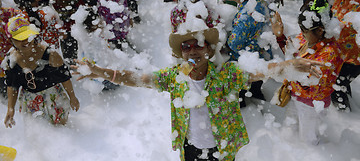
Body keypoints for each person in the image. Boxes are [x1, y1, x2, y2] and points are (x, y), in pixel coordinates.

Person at [73, 25, 324, 160]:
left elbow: (258, 71)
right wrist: (101, 72)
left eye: (199, 45)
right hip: (189, 147)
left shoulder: (226, 75)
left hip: (222, 148)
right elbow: (138, 79)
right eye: (187, 47)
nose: (193, 51)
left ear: (209, 50)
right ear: (180, 53)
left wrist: (287, 66)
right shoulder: (174, 78)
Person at [271, 0, 345, 145]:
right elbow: (292, 55)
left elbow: (312, 84)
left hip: (312, 104)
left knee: (308, 139)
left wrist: (286, 71)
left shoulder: (329, 53)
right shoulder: (307, 38)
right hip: (297, 95)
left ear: (320, 30)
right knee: (291, 127)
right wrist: (280, 36)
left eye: (304, 31)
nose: (301, 34)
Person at [3, 16, 79, 128]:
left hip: (53, 97)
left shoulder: (50, 54)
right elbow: (12, 86)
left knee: (60, 128)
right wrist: (10, 108)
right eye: (20, 39)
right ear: (11, 40)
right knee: (37, 129)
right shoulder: (11, 60)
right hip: (30, 99)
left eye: (28, 37)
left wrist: (72, 97)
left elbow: (64, 78)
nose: (25, 41)